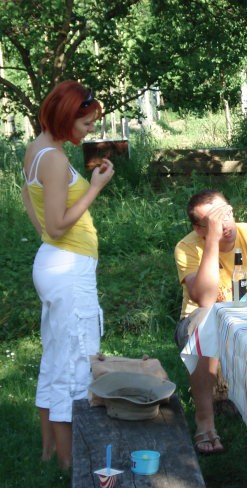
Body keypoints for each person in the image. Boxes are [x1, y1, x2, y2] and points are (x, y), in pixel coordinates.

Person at [21, 81, 114, 469]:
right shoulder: (54, 159)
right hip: (67, 268)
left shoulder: (39, 149)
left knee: (56, 355)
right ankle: (68, 461)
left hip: (56, 263)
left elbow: (29, 200)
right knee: (76, 359)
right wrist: (94, 188)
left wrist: (47, 237)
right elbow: (58, 226)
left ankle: (49, 453)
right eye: (87, 122)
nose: (91, 130)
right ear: (67, 116)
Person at [174, 189, 247, 454]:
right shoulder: (187, 247)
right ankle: (205, 422)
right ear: (199, 228)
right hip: (197, 322)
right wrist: (212, 243)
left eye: (226, 214)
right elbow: (204, 298)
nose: (225, 224)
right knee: (209, 319)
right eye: (215, 221)